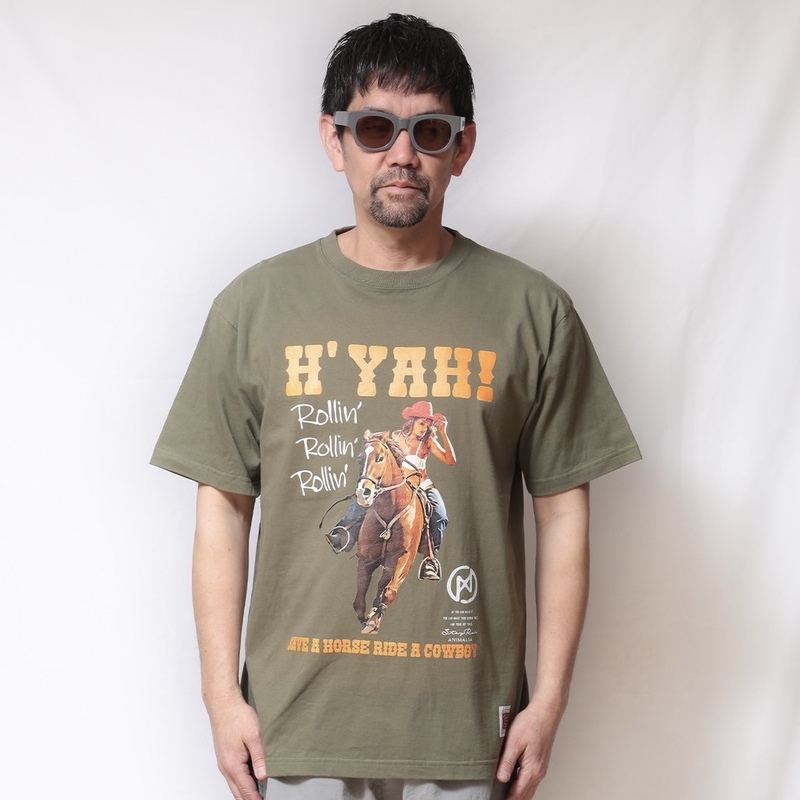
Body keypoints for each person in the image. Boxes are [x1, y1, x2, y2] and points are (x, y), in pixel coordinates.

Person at [151, 13, 641, 800]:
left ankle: (429, 557)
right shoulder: (254, 307)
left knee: (432, 514)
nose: (402, 154)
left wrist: (548, 700)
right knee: (360, 510)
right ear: (335, 139)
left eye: (430, 130)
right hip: (294, 731)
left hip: (467, 735)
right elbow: (223, 508)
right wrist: (220, 696)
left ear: (462, 147)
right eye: (376, 128)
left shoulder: (533, 311)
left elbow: (561, 515)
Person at [326, 400, 454, 581]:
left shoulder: (429, 441)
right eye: (421, 423)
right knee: (363, 499)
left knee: (440, 514)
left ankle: (430, 559)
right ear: (412, 421)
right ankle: (343, 534)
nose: (424, 428)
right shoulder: (395, 436)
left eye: (428, 425)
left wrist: (443, 433)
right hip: (396, 483)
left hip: (421, 484)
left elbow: (450, 460)